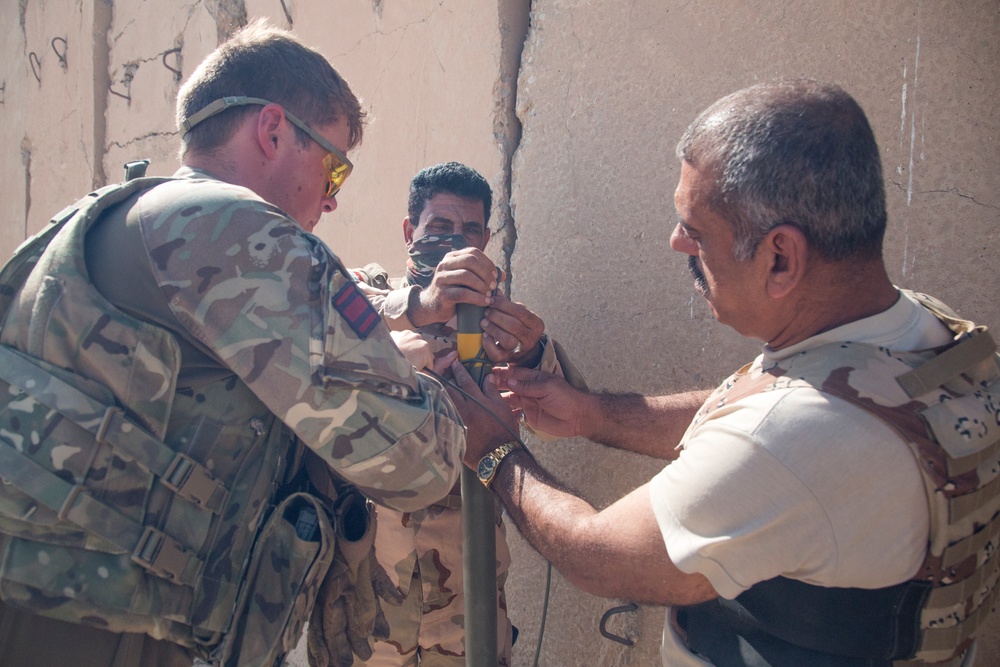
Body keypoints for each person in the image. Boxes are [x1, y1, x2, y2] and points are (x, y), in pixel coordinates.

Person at [448, 79, 999, 666]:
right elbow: (750, 404)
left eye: (696, 229)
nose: (676, 241)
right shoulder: (923, 336)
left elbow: (599, 555)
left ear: (780, 258)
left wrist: (491, 449)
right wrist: (593, 415)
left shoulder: (794, 441)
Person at [0, 20, 465, 667]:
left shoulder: (96, 218)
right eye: (333, 168)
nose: (331, 202)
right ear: (273, 131)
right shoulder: (235, 227)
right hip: (113, 638)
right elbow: (419, 461)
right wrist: (418, 382)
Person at [347, 162, 584, 666]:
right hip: (369, 596)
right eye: (438, 229)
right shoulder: (367, 295)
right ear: (410, 232)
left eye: (469, 231)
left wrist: (530, 349)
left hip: (466, 596)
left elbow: (568, 412)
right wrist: (420, 309)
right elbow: (327, 319)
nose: (454, 244)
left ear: (487, 237)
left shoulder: (495, 322)